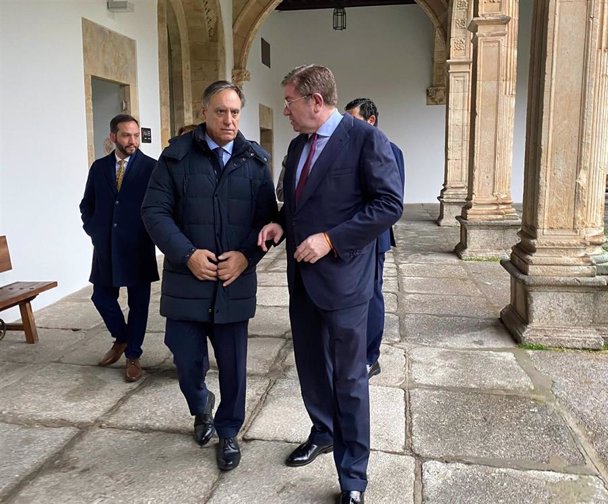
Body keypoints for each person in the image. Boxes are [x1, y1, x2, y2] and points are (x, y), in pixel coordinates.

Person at [258, 65, 403, 504]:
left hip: (344, 284)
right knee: (311, 371)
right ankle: (322, 432)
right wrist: (279, 223)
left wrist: (331, 240)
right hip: (302, 281)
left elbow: (389, 204)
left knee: (349, 380)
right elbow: (300, 205)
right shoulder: (299, 145)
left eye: (289, 101)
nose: (285, 110)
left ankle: (353, 478)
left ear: (315, 102)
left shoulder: (366, 140)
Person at [141, 81, 277, 472]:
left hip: (234, 283)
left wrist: (247, 258)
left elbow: (267, 221)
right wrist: (186, 254)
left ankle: (229, 430)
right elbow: (154, 213)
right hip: (188, 281)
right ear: (204, 112)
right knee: (186, 361)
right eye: (221, 111)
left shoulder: (254, 162)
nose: (229, 120)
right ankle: (201, 406)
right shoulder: (176, 158)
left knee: (234, 366)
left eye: (235, 112)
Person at [79, 114, 159, 383]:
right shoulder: (99, 167)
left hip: (137, 246)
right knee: (101, 296)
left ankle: (133, 356)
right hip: (105, 246)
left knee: (139, 305)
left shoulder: (152, 167)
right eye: (126, 135)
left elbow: (159, 207)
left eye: (136, 135)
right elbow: (86, 203)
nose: (132, 141)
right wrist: (94, 230)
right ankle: (122, 338)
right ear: (113, 137)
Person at [344, 98, 405, 379]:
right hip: (347, 238)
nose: (347, 126)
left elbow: (392, 202)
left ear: (370, 121)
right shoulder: (346, 149)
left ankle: (370, 357)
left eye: (352, 119)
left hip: (372, 237)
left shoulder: (391, 151)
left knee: (372, 295)